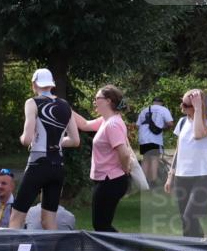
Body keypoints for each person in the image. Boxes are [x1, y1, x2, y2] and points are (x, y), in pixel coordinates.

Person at [9, 68, 81, 231]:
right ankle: (53, 249)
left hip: (38, 165)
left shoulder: (32, 103)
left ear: (34, 84)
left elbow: (26, 139)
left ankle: (12, 248)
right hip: (58, 167)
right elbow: (75, 141)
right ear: (51, 85)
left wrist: (23, 138)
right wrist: (56, 142)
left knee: (16, 218)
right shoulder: (65, 105)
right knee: (48, 221)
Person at [74, 84, 133, 233]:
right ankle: (122, 246)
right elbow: (84, 124)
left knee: (101, 225)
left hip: (111, 180)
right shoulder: (105, 120)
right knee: (102, 224)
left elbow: (124, 153)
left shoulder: (112, 124)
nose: (94, 101)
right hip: (108, 180)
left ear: (108, 101)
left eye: (97, 98)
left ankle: (125, 246)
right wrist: (64, 107)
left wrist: (125, 170)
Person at [165, 88, 207, 237]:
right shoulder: (182, 121)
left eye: (186, 105)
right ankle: (192, 249)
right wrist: (171, 175)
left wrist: (198, 109)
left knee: (190, 217)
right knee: (186, 221)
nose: (181, 107)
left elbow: (198, 134)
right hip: (182, 176)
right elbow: (179, 150)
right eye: (181, 102)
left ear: (198, 105)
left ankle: (199, 248)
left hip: (204, 176)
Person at [135, 97, 174, 184]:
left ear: (153, 102)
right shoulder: (163, 109)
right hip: (154, 138)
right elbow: (170, 123)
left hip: (143, 138)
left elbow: (137, 125)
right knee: (154, 158)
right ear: (162, 103)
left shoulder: (144, 110)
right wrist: (164, 127)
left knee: (146, 158)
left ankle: (144, 182)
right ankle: (153, 181)